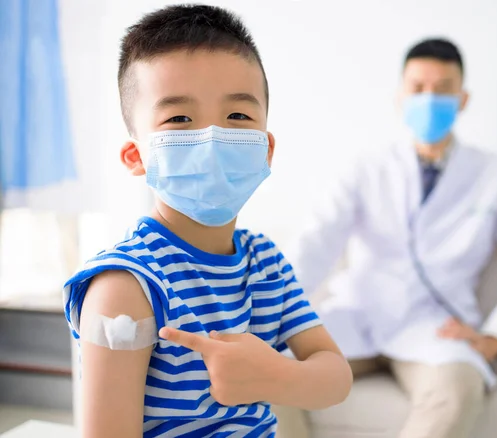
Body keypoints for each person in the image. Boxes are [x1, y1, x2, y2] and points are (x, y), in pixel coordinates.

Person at [62, 5, 352, 438]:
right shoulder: (126, 287)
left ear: (265, 148)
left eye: (237, 116)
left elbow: (336, 378)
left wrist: (273, 375)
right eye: (179, 119)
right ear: (136, 156)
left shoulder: (265, 261)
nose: (212, 137)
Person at [284, 39, 497, 438]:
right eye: (418, 88)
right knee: (267, 369)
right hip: (357, 314)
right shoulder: (366, 169)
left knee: (458, 388)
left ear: (463, 98)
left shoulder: (496, 175)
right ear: (400, 96)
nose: (430, 98)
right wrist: (277, 309)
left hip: (436, 328)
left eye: (443, 88)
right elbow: (316, 242)